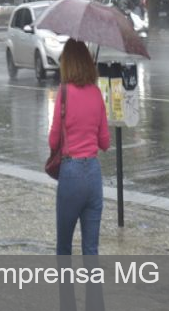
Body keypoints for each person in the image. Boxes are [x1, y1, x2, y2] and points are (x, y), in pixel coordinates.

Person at [49, 39, 110, 255]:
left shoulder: (64, 93)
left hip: (71, 172)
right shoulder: (96, 93)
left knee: (64, 247)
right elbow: (105, 142)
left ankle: (66, 291)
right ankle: (94, 291)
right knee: (91, 249)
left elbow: (53, 140)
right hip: (93, 174)